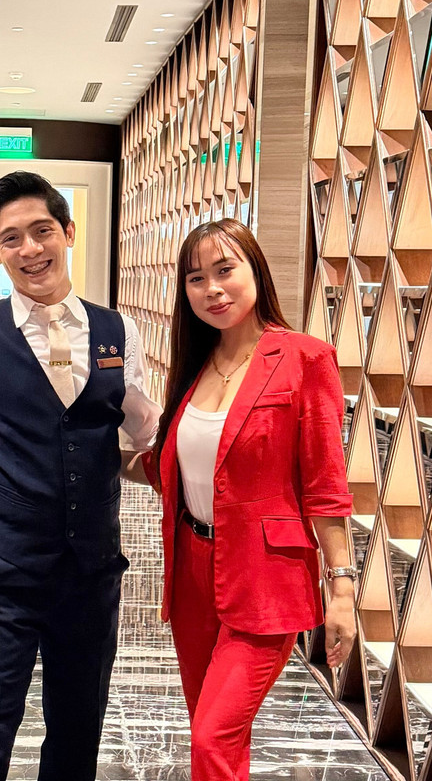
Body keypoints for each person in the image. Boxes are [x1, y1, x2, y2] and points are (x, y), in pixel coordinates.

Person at [0, 171, 161, 781]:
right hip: (5, 567)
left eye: (42, 231)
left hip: (92, 569)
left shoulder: (118, 331)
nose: (30, 249)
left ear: (68, 231)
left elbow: (137, 430)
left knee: (77, 734)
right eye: (11, 238)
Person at [144, 218, 357, 780]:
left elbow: (326, 485)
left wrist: (341, 589)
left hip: (266, 575)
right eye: (196, 278)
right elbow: (178, 464)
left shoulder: (304, 358)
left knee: (212, 737)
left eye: (225, 270)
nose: (212, 289)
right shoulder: (195, 364)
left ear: (256, 272)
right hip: (192, 570)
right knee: (214, 738)